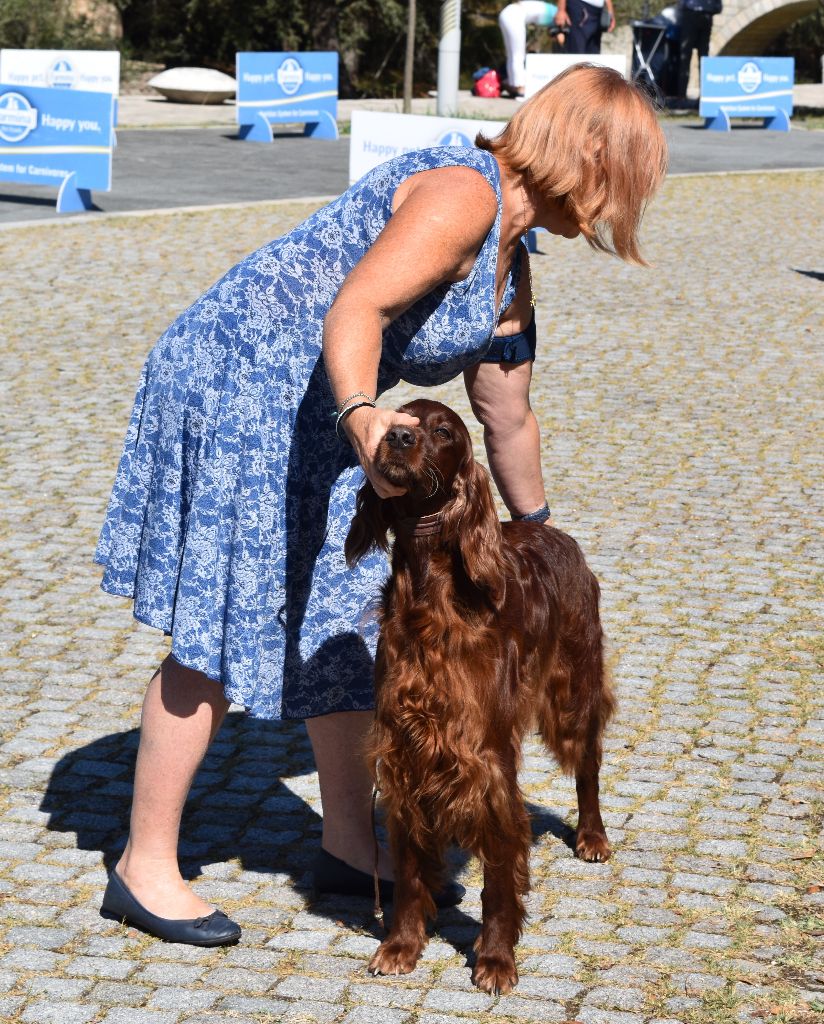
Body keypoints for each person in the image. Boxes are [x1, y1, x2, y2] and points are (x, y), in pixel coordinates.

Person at [96, 64, 668, 946]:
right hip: (243, 383)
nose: (626, 203)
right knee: (223, 625)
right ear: (591, 157)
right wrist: (364, 416)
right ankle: (145, 867)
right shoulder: (463, 194)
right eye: (629, 178)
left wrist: (537, 533)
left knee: (344, 621)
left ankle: (349, 845)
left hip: (325, 408)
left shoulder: (513, 265)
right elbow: (356, 308)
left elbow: (507, 412)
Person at [499, 1, 560, 98]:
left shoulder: (551, 9)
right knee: (518, 55)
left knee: (512, 55)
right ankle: (520, 87)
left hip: (506, 13)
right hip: (515, 15)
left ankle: (513, 84)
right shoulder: (557, 14)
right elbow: (556, 35)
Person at [676, 0, 722, 102]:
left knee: (704, 60)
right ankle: (681, 97)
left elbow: (718, 7)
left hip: (705, 18)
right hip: (690, 17)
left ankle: (704, 96)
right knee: (685, 57)